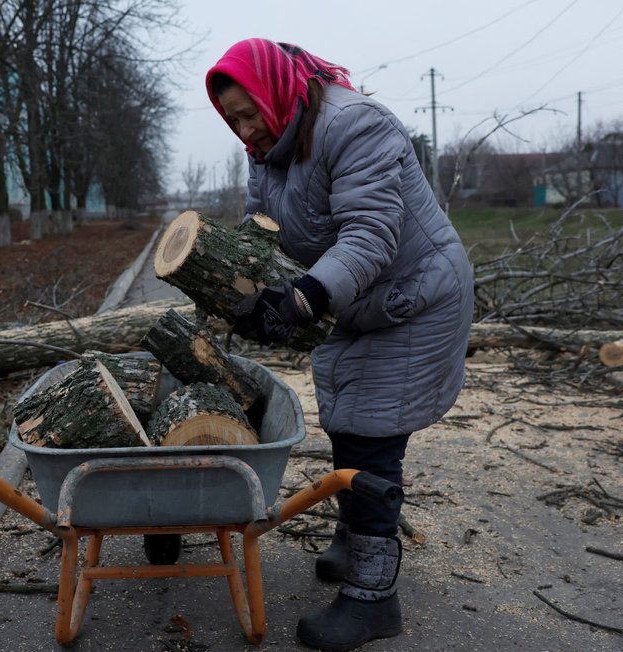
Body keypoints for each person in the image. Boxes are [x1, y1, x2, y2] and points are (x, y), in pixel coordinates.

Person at [206, 39, 473, 651]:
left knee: (372, 431)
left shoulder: (355, 125)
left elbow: (371, 232)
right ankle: (356, 542)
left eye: (250, 113)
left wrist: (302, 298)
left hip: (416, 295)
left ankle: (374, 598)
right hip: (360, 299)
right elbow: (262, 227)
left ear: (276, 89)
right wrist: (252, 291)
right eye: (234, 120)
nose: (245, 130)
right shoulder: (267, 146)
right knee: (348, 417)